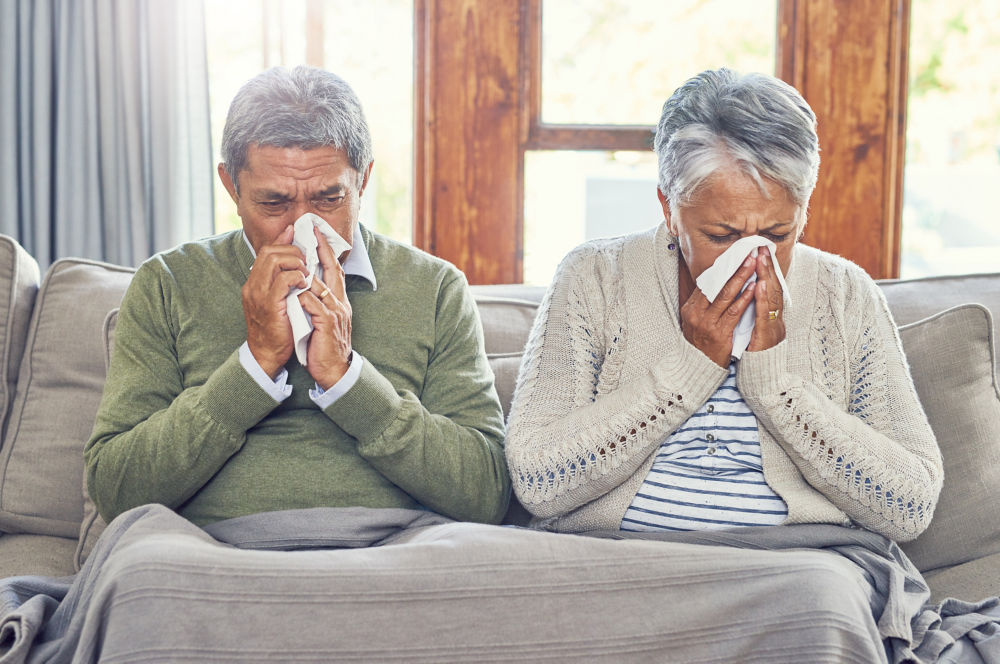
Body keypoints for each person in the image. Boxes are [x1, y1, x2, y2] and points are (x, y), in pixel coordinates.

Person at [504, 68, 943, 540]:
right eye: (721, 236)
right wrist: (688, 370)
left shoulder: (846, 293)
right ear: (669, 210)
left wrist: (774, 385)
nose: (753, 259)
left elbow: (909, 506)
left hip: (795, 565)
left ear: (804, 210)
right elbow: (538, 482)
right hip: (620, 556)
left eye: (778, 234)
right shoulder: (595, 275)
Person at [85, 66, 510, 526]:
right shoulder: (168, 283)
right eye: (274, 203)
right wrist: (256, 362)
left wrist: (346, 379)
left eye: (329, 199)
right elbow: (117, 489)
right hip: (212, 554)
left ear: (362, 180)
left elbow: (485, 493)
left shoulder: (435, 288)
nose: (302, 227)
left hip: (392, 552)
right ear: (231, 186)